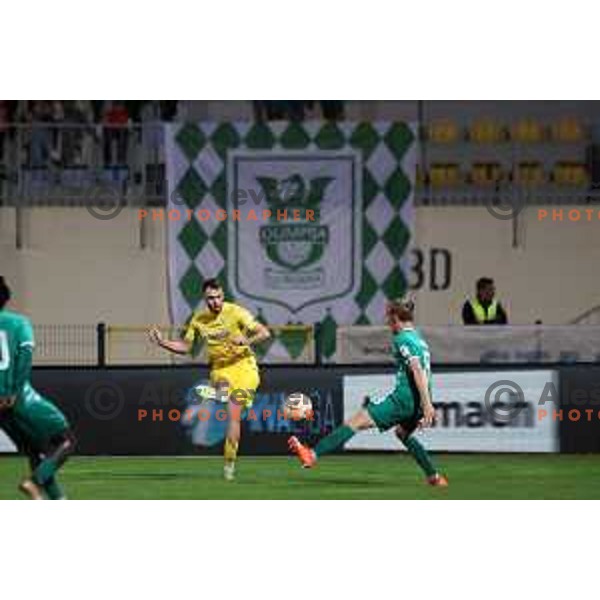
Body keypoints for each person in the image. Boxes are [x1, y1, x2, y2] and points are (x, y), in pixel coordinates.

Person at [288, 296, 448, 487]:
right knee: (402, 434)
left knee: (355, 422)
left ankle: (311, 455)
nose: (387, 321)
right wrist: (426, 404)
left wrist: (428, 404)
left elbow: (417, 369)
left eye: (388, 316)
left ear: (395, 316)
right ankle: (434, 477)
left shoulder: (402, 338)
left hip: (405, 400)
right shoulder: (419, 340)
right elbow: (423, 371)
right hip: (418, 403)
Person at [149, 279, 271, 481]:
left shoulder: (237, 312)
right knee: (228, 399)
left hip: (244, 367)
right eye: (210, 299)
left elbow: (264, 332)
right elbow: (186, 348)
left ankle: (229, 463)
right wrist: (162, 342)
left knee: (234, 415)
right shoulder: (199, 319)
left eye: (218, 297)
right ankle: (221, 394)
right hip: (220, 369)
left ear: (223, 296)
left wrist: (246, 340)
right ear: (205, 299)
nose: (215, 302)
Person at [0, 276, 74, 500]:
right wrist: (13, 391)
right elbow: (25, 357)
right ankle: (33, 482)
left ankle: (56, 501)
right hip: (17, 398)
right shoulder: (18, 323)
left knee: (36, 450)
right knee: (66, 440)